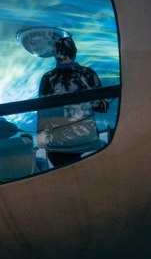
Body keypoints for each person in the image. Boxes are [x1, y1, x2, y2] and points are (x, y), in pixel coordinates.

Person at [37, 35, 109, 167]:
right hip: (87, 142)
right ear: (74, 53)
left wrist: (42, 143)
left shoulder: (47, 78)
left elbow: (42, 114)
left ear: (55, 55)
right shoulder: (88, 74)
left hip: (57, 145)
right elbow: (102, 108)